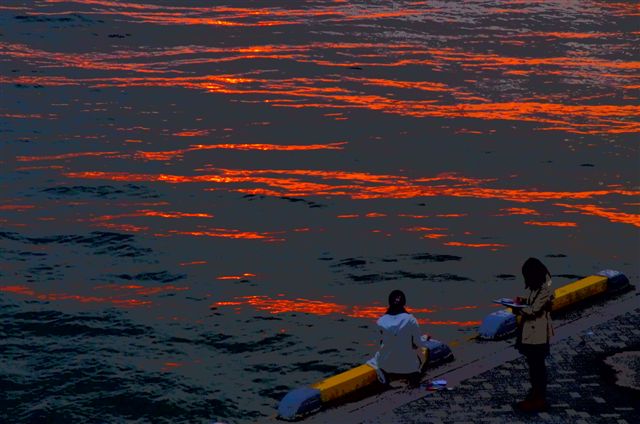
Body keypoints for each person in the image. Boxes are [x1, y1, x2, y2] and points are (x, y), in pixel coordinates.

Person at [512, 257, 554, 412]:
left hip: (538, 333)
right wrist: (522, 300)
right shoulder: (538, 286)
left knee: (537, 366)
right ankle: (535, 395)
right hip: (531, 332)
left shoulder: (544, 289)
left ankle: (539, 398)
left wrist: (518, 308)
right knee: (533, 365)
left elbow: (534, 310)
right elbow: (532, 303)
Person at [370, 289, 431, 387]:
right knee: (426, 353)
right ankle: (417, 377)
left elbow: (377, 344)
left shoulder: (381, 321)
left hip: (387, 366)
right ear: (404, 303)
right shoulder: (411, 319)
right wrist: (423, 339)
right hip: (408, 367)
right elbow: (418, 343)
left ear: (389, 302)